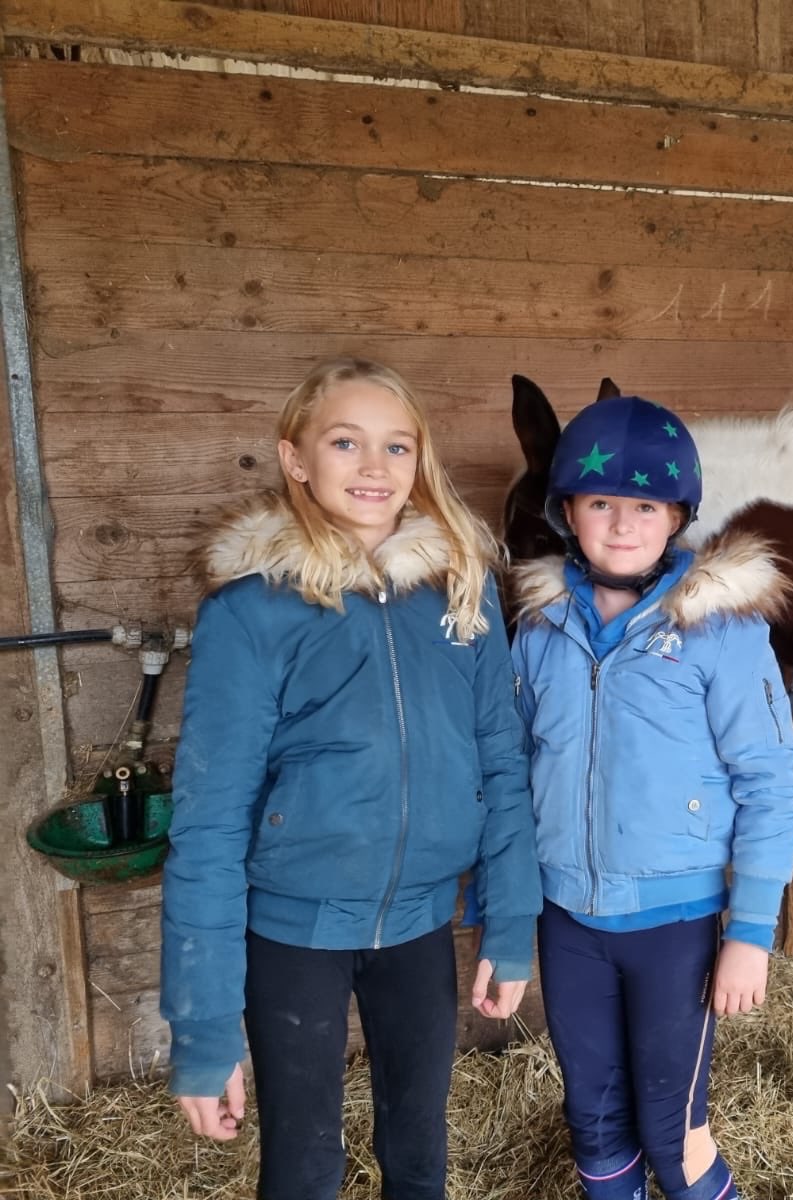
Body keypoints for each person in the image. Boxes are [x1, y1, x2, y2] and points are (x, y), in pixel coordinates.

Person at [159, 357, 539, 1200]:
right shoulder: (253, 612)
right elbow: (210, 824)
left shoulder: (461, 599)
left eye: (397, 447)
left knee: (419, 1151)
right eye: (345, 442)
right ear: (295, 459)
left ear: (419, 461)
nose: (375, 467)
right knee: (302, 1166)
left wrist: (510, 922)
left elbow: (502, 764)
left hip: (417, 930)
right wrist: (206, 1028)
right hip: (292, 938)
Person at [510, 394, 793, 1200]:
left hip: (674, 928)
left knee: (674, 1136)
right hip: (567, 918)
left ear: (676, 515)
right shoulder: (540, 628)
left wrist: (750, 933)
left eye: (645, 505)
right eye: (602, 502)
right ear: (568, 509)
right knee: (595, 1126)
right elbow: (511, 765)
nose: (621, 523)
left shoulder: (722, 632)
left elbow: (771, 787)